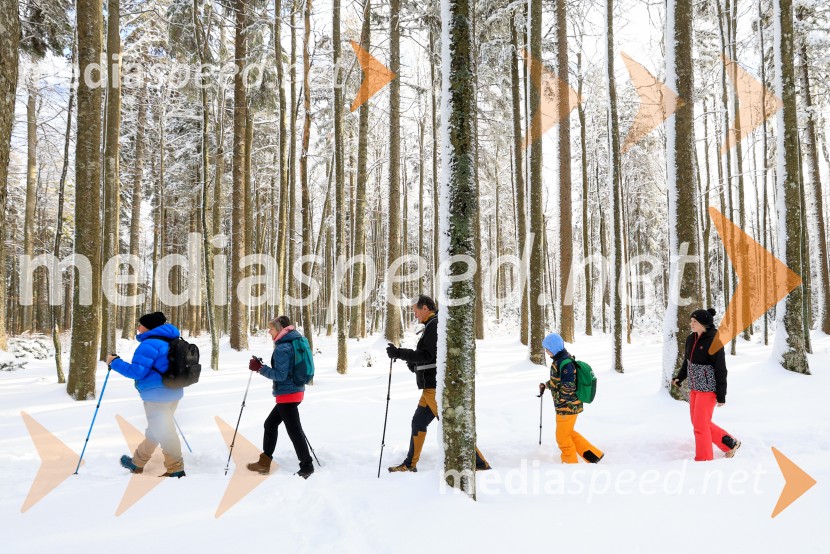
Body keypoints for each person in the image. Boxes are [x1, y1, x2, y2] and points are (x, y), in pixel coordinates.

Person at [385, 294, 490, 473]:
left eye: (416, 311)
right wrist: (414, 365)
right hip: (428, 388)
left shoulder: (434, 325)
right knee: (418, 423)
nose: (415, 315)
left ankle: (480, 463)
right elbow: (429, 357)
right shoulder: (431, 325)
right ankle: (410, 464)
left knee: (452, 425)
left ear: (425, 308)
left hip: (434, 389)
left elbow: (427, 355)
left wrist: (400, 353)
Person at [107, 311, 186, 478]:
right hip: (174, 392)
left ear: (148, 326)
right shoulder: (173, 340)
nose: (138, 327)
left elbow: (137, 372)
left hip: (156, 396)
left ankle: (175, 469)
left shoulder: (149, 344)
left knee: (165, 432)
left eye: (140, 324)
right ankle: (137, 463)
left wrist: (114, 362)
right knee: (157, 430)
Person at [246, 315, 314, 479]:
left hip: (288, 394)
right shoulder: (294, 341)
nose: (269, 331)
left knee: (294, 431)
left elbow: (280, 375)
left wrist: (260, 368)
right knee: (270, 425)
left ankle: (307, 466)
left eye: (271, 328)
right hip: (295, 391)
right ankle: (265, 462)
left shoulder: (283, 348)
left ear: (279, 329)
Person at [672, 308, 741, 461]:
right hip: (694, 388)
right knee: (699, 423)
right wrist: (679, 378)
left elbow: (721, 370)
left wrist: (721, 394)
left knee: (700, 426)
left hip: (708, 389)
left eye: (694, 322)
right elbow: (687, 363)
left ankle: (704, 460)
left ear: (704, 324)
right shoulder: (691, 339)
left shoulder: (714, 341)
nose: (691, 324)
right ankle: (730, 443)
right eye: (691, 321)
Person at [538, 333, 603, 464]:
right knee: (568, 433)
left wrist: (562, 400)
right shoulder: (560, 360)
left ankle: (570, 464)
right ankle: (593, 456)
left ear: (554, 348)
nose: (546, 351)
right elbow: (558, 382)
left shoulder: (565, 363)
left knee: (562, 437)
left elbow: (568, 387)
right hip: (568, 406)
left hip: (567, 407)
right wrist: (547, 385)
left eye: (547, 348)